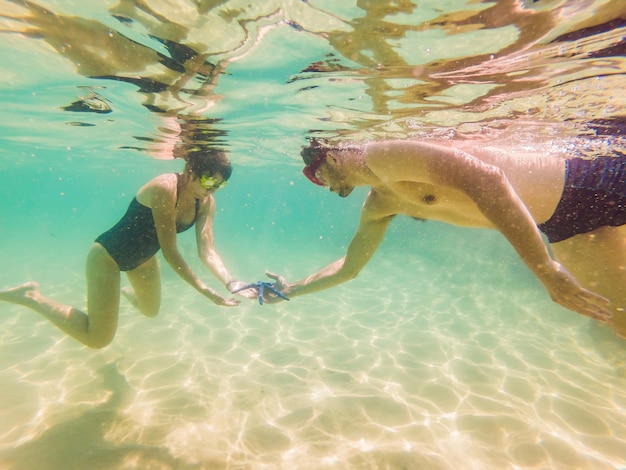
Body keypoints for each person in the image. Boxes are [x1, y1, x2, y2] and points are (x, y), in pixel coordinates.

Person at [266, 138, 626, 339]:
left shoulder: (382, 154)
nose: (320, 185)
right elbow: (350, 268)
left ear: (330, 156)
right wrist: (292, 289)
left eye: (315, 174)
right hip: (562, 224)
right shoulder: (379, 204)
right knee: (620, 322)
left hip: (592, 180)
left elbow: (488, 180)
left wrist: (545, 268)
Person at [0, 148, 253, 348]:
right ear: (190, 170)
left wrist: (232, 282)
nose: (212, 190)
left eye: (220, 185)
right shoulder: (165, 189)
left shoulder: (206, 202)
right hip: (108, 256)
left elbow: (207, 251)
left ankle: (124, 292)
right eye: (209, 181)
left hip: (142, 259)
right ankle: (31, 296)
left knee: (151, 311)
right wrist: (206, 291)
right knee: (97, 339)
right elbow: (170, 251)